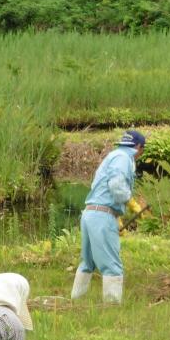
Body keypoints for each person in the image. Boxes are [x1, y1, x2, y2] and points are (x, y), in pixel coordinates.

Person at [71, 129, 146, 305]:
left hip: (91, 213)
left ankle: (75, 302)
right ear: (138, 147)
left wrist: (116, 217)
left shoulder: (112, 156)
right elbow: (117, 185)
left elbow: (101, 188)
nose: (140, 155)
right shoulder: (123, 158)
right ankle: (112, 306)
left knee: (87, 262)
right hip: (102, 216)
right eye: (142, 151)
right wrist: (132, 203)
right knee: (112, 265)